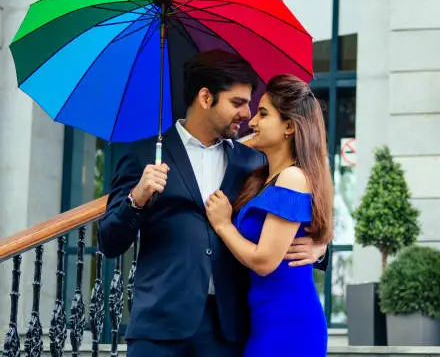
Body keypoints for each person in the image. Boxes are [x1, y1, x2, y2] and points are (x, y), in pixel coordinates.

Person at [97, 50, 328, 357]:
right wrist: (135, 200)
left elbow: (295, 215)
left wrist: (319, 248)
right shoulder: (142, 156)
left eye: (252, 105)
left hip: (228, 331)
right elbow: (109, 242)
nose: (247, 114)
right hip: (159, 329)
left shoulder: (253, 161)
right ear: (206, 97)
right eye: (238, 103)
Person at [204, 74, 334, 357]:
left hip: (289, 325)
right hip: (264, 322)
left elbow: (264, 261)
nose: (252, 122)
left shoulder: (292, 177)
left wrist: (223, 225)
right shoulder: (263, 179)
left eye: (263, 114)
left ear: (289, 126)